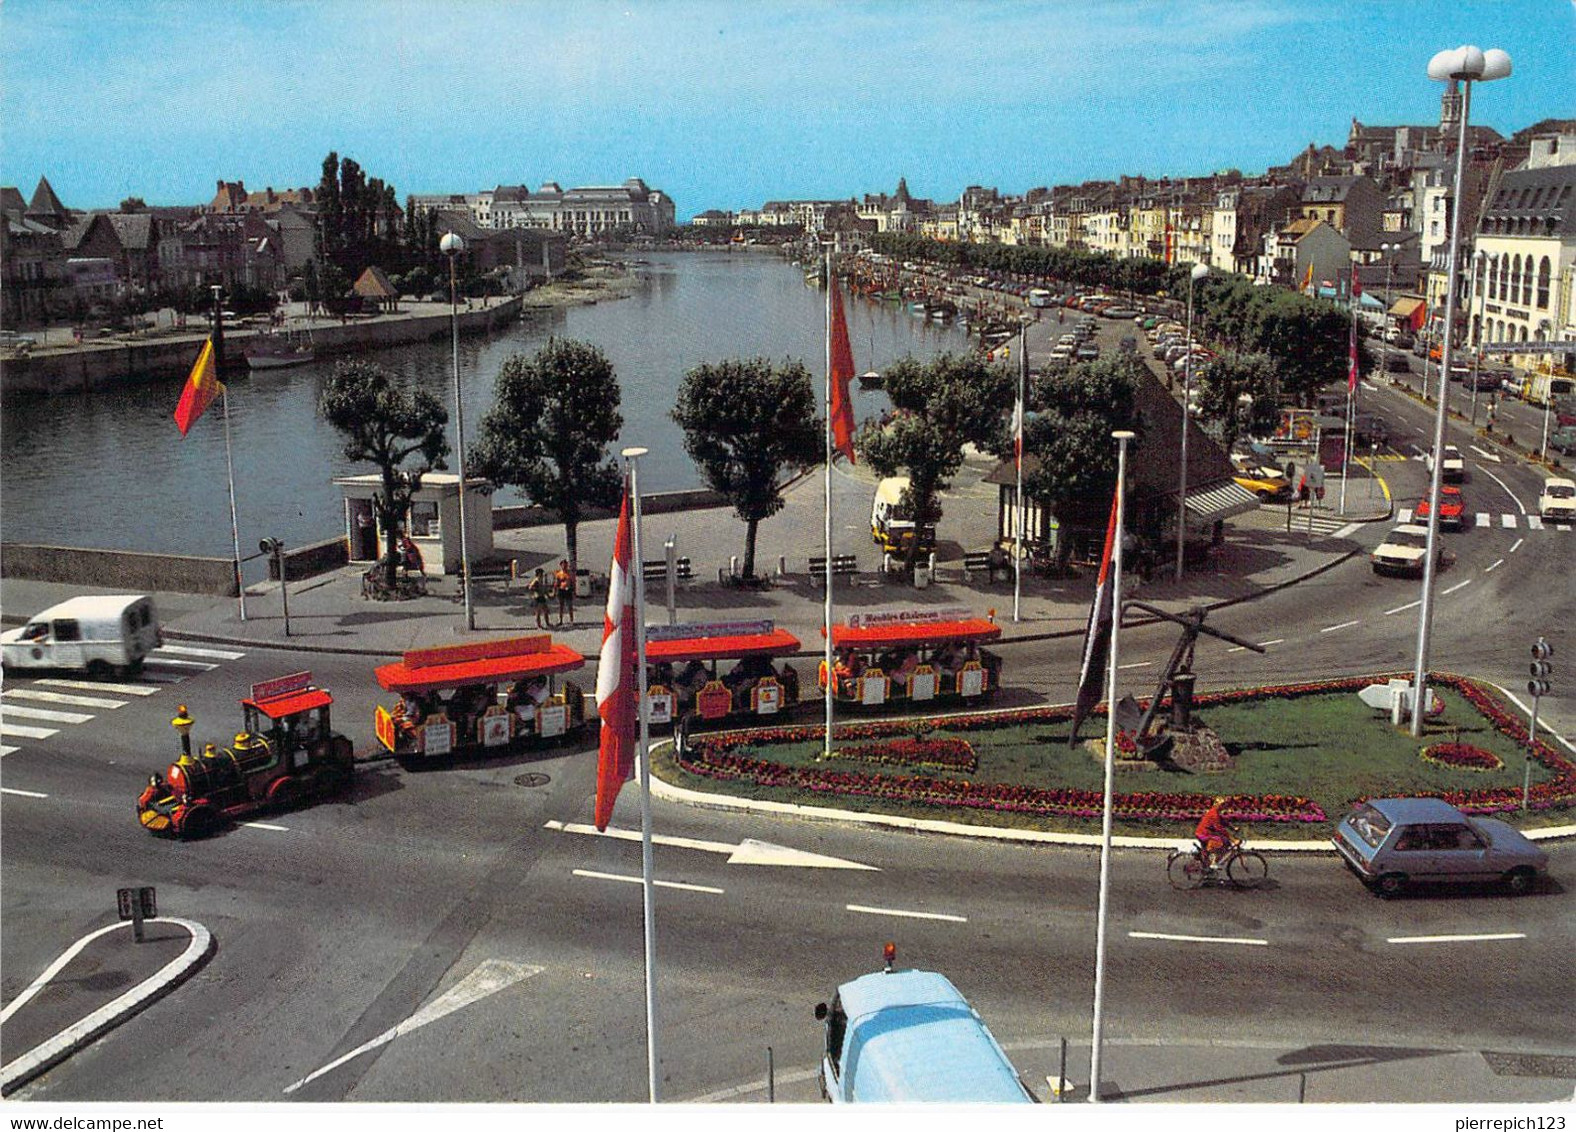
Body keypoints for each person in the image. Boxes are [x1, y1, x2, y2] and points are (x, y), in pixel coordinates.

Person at [1195, 796, 1239, 872]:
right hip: (1203, 834)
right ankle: (1212, 862)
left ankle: (1209, 863)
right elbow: (1219, 829)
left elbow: (1223, 821)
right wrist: (1233, 839)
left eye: (1223, 804)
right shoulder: (1214, 814)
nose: (1223, 806)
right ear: (1216, 804)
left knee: (1225, 842)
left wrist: (1233, 827)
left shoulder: (1215, 812)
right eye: (1221, 804)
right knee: (1219, 842)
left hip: (1204, 833)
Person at [554, 559, 574, 626]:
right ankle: (560, 620)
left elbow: (572, 582)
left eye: (566, 565)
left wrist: (574, 590)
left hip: (568, 590)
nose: (565, 566)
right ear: (561, 566)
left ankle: (571, 620)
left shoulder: (570, 573)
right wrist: (555, 591)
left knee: (569, 606)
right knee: (561, 606)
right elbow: (556, 583)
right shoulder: (559, 574)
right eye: (563, 565)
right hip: (561, 590)